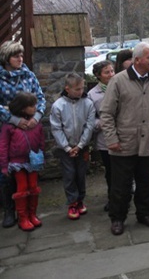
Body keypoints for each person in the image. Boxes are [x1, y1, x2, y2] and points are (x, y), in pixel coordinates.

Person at [99, 42, 149, 236]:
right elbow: (106, 113)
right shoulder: (118, 81)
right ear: (137, 60)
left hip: (148, 143)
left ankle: (144, 213)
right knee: (121, 186)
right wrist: (111, 138)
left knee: (146, 182)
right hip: (123, 144)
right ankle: (117, 218)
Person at [0, 41, 46, 228]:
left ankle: (29, 212)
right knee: (7, 174)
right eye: (16, 56)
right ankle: (9, 211)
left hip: (30, 130)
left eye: (21, 55)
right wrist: (14, 120)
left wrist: (36, 117)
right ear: (6, 58)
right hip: (7, 129)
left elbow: (40, 98)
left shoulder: (29, 75)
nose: (20, 59)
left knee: (29, 172)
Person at [50, 73, 96, 220]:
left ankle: (80, 199)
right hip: (66, 148)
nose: (80, 91)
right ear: (67, 89)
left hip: (82, 146)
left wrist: (81, 144)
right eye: (77, 89)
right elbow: (56, 128)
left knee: (81, 174)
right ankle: (72, 202)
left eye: (82, 88)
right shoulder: (58, 105)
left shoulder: (88, 103)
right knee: (69, 175)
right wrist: (67, 147)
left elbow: (90, 125)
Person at [0, 92, 45, 231]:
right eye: (32, 106)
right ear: (22, 108)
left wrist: (41, 154)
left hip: (33, 162)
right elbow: (3, 146)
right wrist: (4, 165)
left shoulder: (35, 124)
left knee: (33, 186)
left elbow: (41, 139)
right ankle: (22, 217)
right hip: (17, 163)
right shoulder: (9, 126)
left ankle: (32, 214)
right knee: (22, 188)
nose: (35, 108)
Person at [89, 60, 116, 211]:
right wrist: (104, 121)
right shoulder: (93, 95)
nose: (111, 75)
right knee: (111, 171)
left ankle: (124, 195)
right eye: (107, 72)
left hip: (125, 136)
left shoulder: (122, 87)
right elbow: (90, 120)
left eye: (112, 71)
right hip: (105, 139)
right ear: (98, 76)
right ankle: (112, 198)